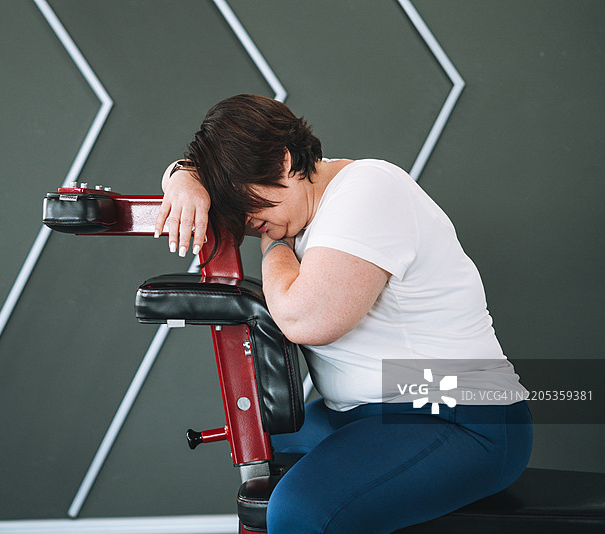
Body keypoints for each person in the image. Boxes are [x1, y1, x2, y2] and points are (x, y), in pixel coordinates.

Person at [155, 94, 532, 533]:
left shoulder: (367, 190)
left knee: (300, 513)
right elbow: (205, 174)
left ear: (285, 159)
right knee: (256, 438)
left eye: (247, 202)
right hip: (361, 412)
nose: (244, 219)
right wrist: (183, 176)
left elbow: (305, 321)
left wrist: (273, 246)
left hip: (459, 415)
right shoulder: (298, 202)